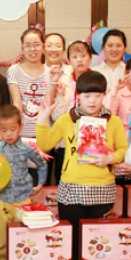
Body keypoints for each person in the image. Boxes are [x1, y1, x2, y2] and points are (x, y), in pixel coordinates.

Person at [36, 71, 128, 260]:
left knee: (97, 243)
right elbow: (45, 145)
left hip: (102, 188)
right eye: (87, 96)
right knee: (72, 241)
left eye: (97, 95)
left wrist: (110, 158)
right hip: (71, 187)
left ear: (104, 95)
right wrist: (42, 120)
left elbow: (124, 150)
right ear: (78, 96)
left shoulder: (113, 121)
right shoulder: (66, 119)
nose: (92, 101)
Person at [0, 105, 47, 260]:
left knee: (24, 240)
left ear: (20, 127)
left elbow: (42, 164)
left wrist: (40, 184)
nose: (8, 134)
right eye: (4, 130)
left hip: (23, 201)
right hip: (2, 200)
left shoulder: (27, 149)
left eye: (13, 129)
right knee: (0, 242)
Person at [48, 40, 95, 184]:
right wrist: (61, 96)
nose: (79, 60)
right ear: (68, 61)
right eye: (74, 57)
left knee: (88, 181)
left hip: (90, 141)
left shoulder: (98, 81)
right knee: (63, 179)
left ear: (90, 58)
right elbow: (56, 117)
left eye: (83, 56)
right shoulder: (63, 82)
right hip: (65, 141)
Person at [8, 27, 50, 141]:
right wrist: (15, 131)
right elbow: (17, 103)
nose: (32, 49)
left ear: (43, 47)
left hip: (44, 133)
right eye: (27, 45)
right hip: (20, 134)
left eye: (37, 45)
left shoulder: (51, 73)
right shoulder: (14, 70)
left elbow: (48, 104)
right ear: (22, 49)